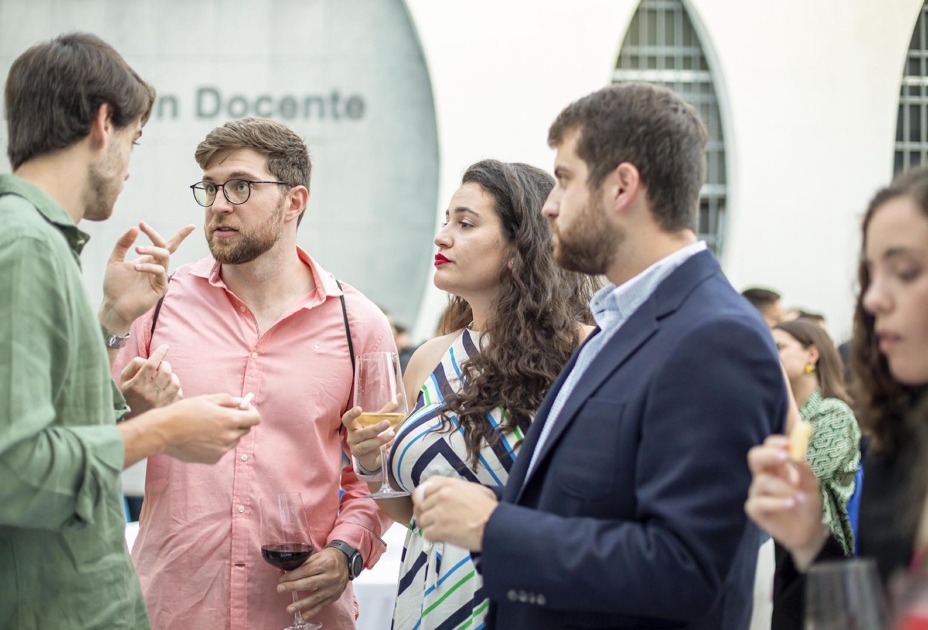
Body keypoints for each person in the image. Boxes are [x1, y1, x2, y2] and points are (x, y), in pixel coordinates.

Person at [411, 82, 788, 629]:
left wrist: (494, 530)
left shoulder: (714, 337)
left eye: (565, 180)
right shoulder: (618, 323)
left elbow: (687, 570)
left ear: (621, 187)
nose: (549, 206)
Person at [0, 33, 261, 629]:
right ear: (103, 124)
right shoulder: (23, 245)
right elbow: (8, 469)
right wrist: (166, 429)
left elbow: (44, 424)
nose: (130, 168)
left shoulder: (28, 238)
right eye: (134, 141)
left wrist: (113, 319)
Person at [111, 117, 395, 630]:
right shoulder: (157, 303)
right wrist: (115, 329)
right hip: (173, 609)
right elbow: (86, 439)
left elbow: (380, 472)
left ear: (294, 201)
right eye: (211, 187)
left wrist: (346, 552)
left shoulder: (359, 326)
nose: (219, 204)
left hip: (298, 615)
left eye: (241, 186)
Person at [342, 159, 597, 629]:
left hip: (522, 601)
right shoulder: (429, 358)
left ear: (520, 247)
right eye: (446, 222)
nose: (441, 237)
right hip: (424, 602)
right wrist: (372, 463)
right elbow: (416, 514)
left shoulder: (584, 352)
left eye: (465, 224)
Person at [746, 164, 928, 616]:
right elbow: (867, 617)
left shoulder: (834, 416)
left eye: (906, 272)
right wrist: (809, 540)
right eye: (870, 276)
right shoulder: (897, 441)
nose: (874, 298)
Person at [769, 319, 861, 629]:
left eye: (779, 347)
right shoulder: (779, 414)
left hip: (821, 561)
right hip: (783, 553)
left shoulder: (833, 413)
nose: (771, 356)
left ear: (812, 354)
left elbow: (796, 478)